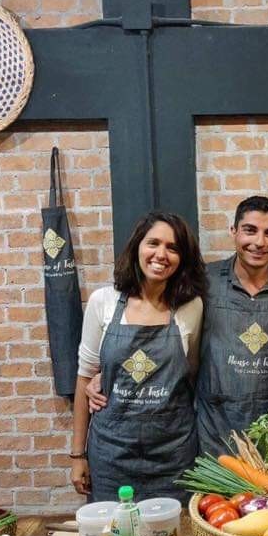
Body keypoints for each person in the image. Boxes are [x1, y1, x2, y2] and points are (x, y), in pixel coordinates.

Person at [69, 212, 206, 503]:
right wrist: (77, 455)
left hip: (173, 455)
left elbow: (191, 373)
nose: (161, 254)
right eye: (153, 243)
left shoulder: (191, 307)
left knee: (174, 530)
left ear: (183, 257)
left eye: (173, 248)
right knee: (114, 530)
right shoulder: (103, 301)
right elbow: (84, 378)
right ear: (137, 247)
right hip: (111, 454)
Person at [194, 196, 268, 454]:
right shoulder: (204, 281)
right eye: (250, 230)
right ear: (234, 231)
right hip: (214, 427)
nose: (260, 242)